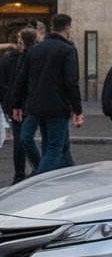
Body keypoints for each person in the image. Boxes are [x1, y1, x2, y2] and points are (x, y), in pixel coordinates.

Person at [11, 12, 85, 174]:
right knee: (53, 150)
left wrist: (16, 104)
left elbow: (21, 79)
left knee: (55, 146)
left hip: (37, 106)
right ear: (68, 28)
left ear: (52, 28)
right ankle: (38, 184)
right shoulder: (67, 50)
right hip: (58, 107)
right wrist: (77, 109)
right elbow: (71, 82)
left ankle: (69, 176)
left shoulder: (35, 50)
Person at [0, 28, 40, 181]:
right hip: (21, 104)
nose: (19, 41)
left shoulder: (12, 57)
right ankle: (34, 170)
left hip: (20, 103)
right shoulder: (15, 58)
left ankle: (24, 173)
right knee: (23, 139)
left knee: (23, 138)